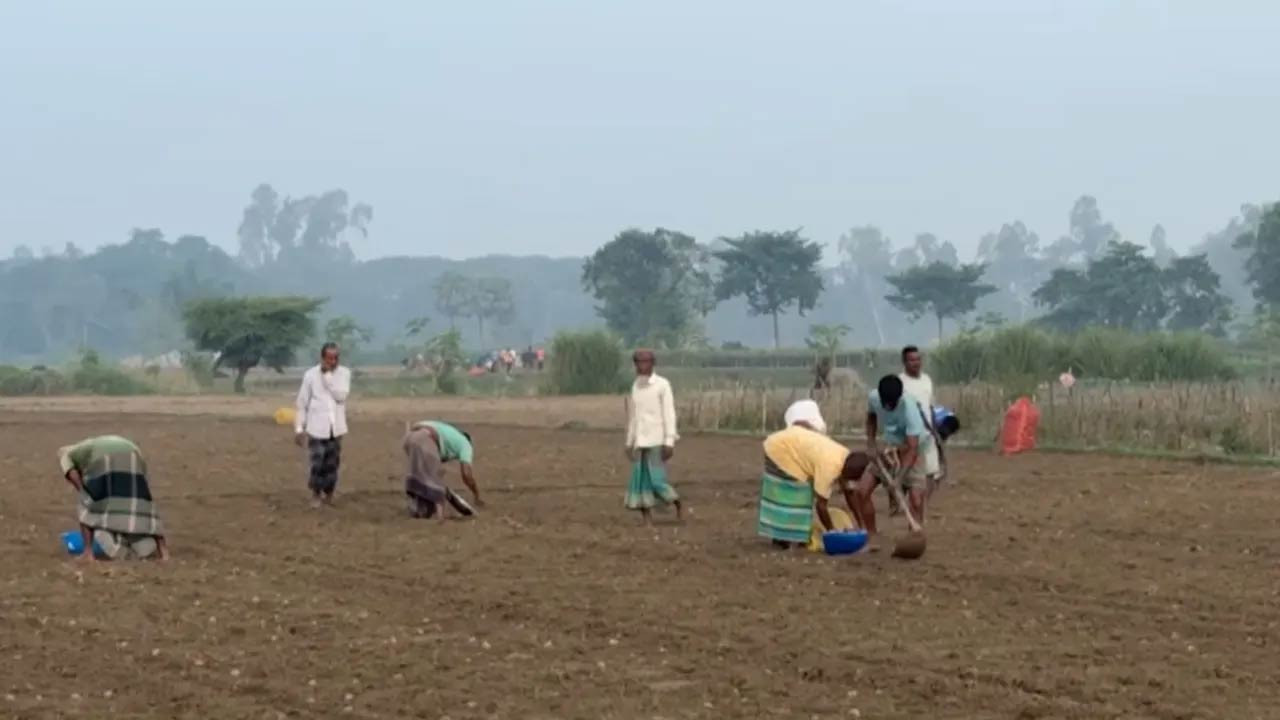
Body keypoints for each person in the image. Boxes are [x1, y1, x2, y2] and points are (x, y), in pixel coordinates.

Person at [58, 435, 169, 561]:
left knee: (86, 506)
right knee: (142, 504)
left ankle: (88, 553)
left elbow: (72, 474)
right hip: (133, 451)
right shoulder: (86, 446)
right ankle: (164, 552)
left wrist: (83, 491)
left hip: (104, 456)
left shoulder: (66, 455)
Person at [758, 423, 868, 548]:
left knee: (802, 495)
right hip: (780, 449)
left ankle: (797, 536)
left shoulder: (846, 457)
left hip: (793, 444)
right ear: (846, 473)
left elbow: (850, 493)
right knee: (792, 493)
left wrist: (862, 526)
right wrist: (832, 532)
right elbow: (821, 506)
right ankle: (781, 538)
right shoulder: (830, 468)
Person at [855, 374, 935, 536]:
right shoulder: (874, 397)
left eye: (893, 404)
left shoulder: (910, 408)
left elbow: (912, 449)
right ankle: (871, 534)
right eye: (886, 403)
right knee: (861, 491)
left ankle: (914, 537)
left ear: (899, 398)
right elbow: (871, 417)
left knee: (916, 499)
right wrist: (871, 443)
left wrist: (899, 479)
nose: (889, 407)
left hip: (913, 448)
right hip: (890, 447)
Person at [624, 349, 682, 523]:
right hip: (640, 442)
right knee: (641, 482)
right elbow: (634, 417)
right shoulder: (635, 387)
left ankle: (677, 503)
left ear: (652, 364)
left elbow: (669, 414)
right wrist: (629, 442)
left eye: (646, 362)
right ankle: (647, 518)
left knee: (657, 481)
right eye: (639, 363)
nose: (642, 366)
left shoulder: (662, 385)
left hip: (657, 440)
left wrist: (669, 441)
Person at [294, 342, 351, 508]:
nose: (332, 362)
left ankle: (330, 494)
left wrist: (327, 378)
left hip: (336, 428)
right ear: (322, 357)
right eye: (329, 358)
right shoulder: (310, 375)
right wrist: (299, 428)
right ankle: (316, 494)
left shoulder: (344, 374)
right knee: (317, 462)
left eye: (335, 358)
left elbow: (341, 396)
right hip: (316, 428)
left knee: (332, 463)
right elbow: (301, 403)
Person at [403, 421, 480, 519]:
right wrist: (476, 493)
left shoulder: (447, 431)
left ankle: (418, 506)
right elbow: (466, 474)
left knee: (420, 475)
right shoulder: (466, 444)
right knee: (436, 480)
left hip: (409, 438)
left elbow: (416, 426)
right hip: (426, 438)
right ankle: (440, 517)